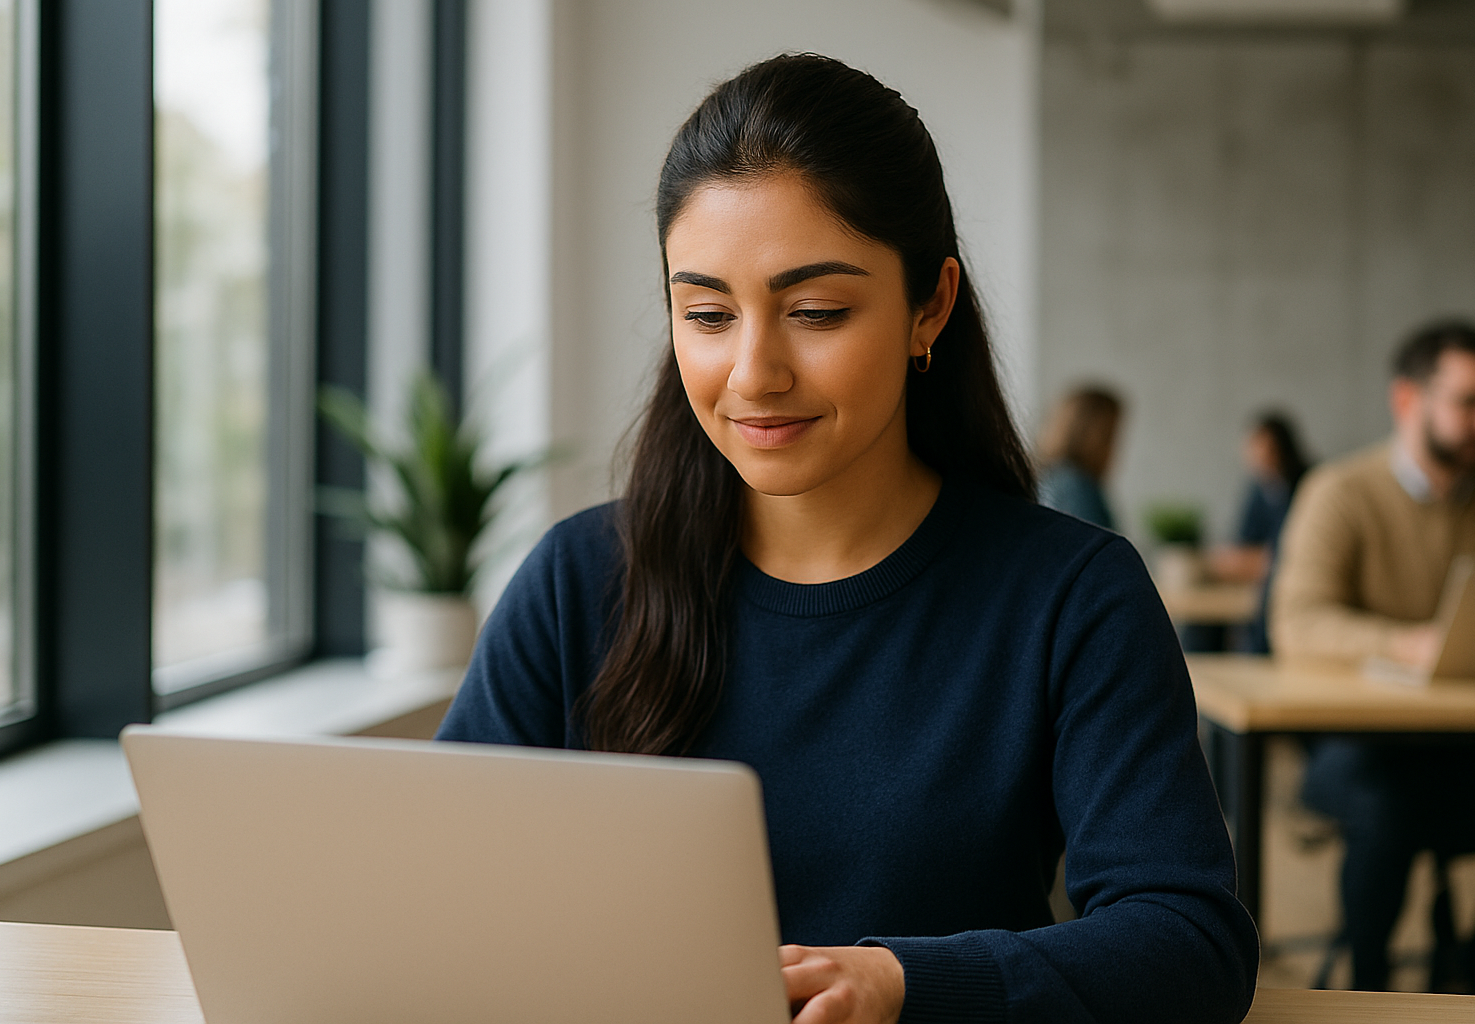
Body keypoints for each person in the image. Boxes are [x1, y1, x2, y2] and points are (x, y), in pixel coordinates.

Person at [437, 55, 1257, 1024]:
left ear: (930, 306)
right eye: (707, 314)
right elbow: (435, 893)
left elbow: (1188, 938)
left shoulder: (1071, 595)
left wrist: (902, 984)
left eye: (816, 312)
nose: (754, 373)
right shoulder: (577, 581)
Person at [1272, 320, 1475, 992]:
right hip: (1357, 747)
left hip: (1470, 746)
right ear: (1408, 399)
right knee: (1390, 803)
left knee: (1413, 799)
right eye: (1471, 402)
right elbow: (1297, 623)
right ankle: (1370, 987)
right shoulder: (1340, 492)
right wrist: (1406, 644)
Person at [1208, 412, 1312, 653]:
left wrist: (1257, 559)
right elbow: (1242, 543)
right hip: (1255, 584)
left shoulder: (1307, 484)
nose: (1255, 456)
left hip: (1290, 584)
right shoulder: (1259, 488)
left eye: (1262, 448)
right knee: (1202, 629)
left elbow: (1290, 551)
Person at [1037, 386, 1123, 530]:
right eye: (1110, 435)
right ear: (1095, 437)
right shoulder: (1075, 486)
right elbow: (1098, 539)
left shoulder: (1051, 477)